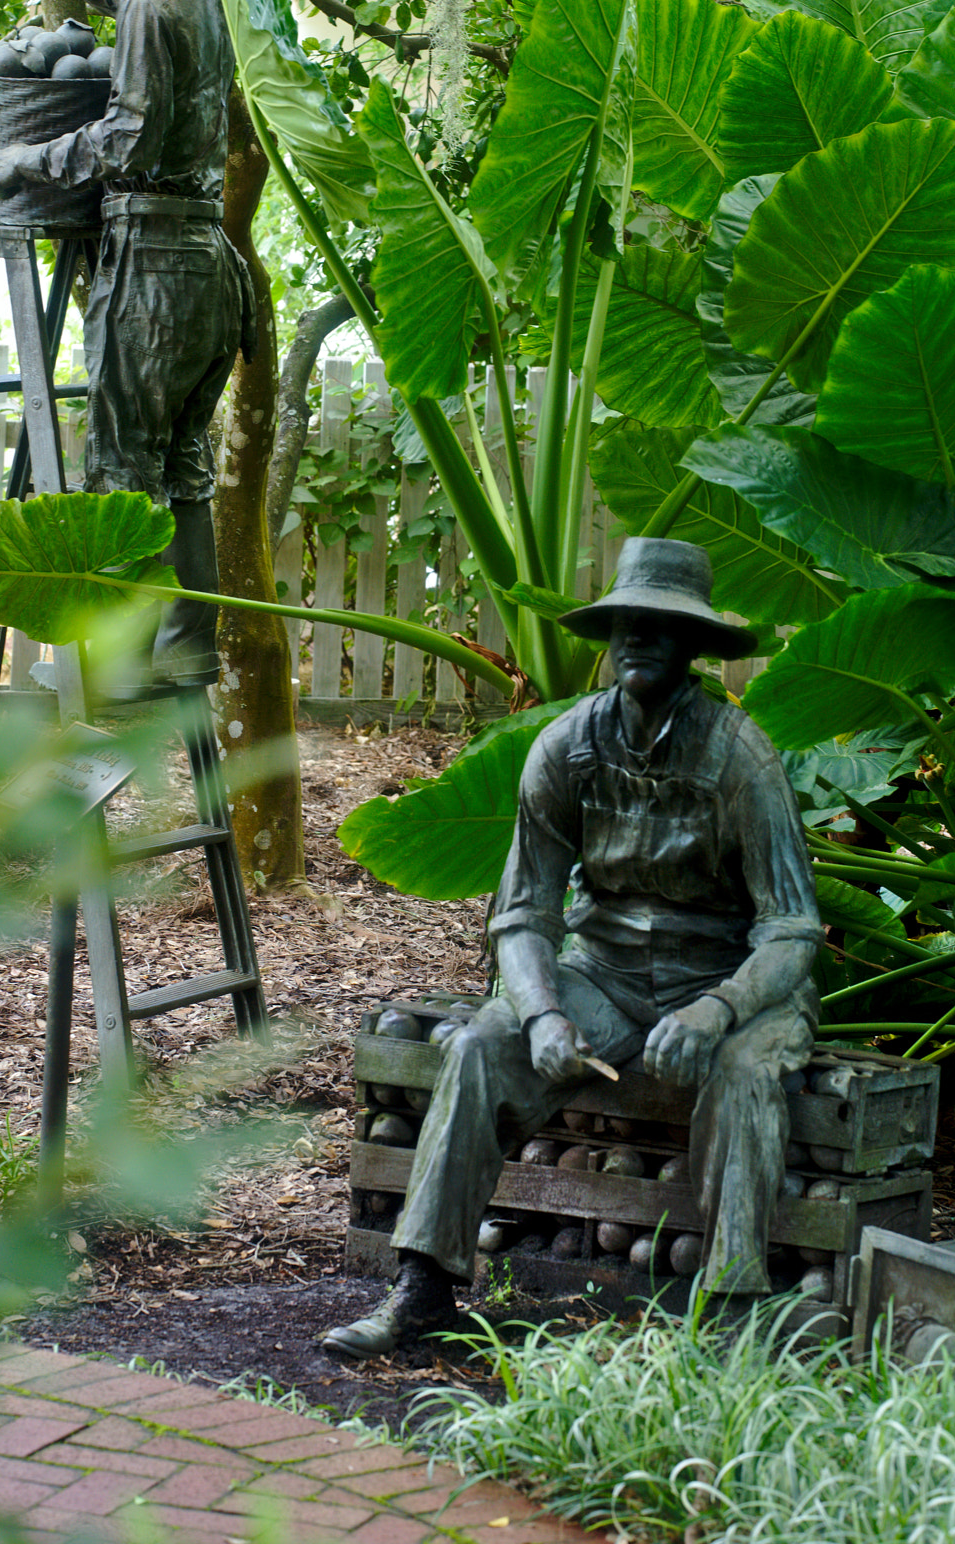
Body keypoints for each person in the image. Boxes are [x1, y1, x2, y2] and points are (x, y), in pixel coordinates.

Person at [323, 536, 823, 1359]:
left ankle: (732, 1311)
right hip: (607, 972)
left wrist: (719, 1007)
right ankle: (422, 1288)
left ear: (693, 644)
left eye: (659, 626)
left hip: (734, 980)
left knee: (742, 1071)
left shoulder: (741, 758)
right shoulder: (566, 748)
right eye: (626, 622)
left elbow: (793, 931)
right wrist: (543, 1012)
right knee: (483, 1043)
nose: (638, 639)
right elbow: (522, 914)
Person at [0, 0, 253, 685]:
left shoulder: (158, 0)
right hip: (209, 265)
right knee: (185, 469)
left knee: (125, 468)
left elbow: (124, 137)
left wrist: (25, 160)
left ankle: (121, 671)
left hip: (155, 265)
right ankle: (187, 649)